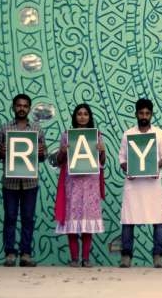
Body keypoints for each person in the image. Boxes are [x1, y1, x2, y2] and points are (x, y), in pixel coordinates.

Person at [0, 93, 47, 267]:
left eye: (25, 106)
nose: (21, 108)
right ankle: (9, 253)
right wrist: (1, 151)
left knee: (28, 218)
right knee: (10, 217)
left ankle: (25, 254)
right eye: (18, 105)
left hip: (30, 183)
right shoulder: (4, 128)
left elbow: (44, 155)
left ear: (29, 108)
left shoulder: (37, 129)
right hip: (10, 183)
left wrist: (41, 154)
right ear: (13, 107)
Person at [118, 98, 162, 268]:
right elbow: (122, 159)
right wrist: (128, 169)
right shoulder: (128, 134)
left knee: (158, 219)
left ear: (152, 114)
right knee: (128, 219)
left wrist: (155, 167)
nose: (144, 116)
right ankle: (126, 256)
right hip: (133, 185)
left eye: (147, 113)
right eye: (141, 113)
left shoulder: (160, 133)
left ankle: (158, 256)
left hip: (153, 184)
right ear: (136, 114)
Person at [53, 103, 106, 267]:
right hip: (72, 183)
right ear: (74, 117)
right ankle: (75, 258)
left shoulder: (97, 136)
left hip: (90, 183)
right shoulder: (66, 136)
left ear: (90, 117)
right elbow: (59, 162)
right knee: (72, 219)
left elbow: (102, 162)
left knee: (87, 220)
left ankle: (86, 258)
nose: (82, 117)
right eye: (79, 114)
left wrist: (102, 151)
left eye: (85, 114)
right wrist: (62, 151)